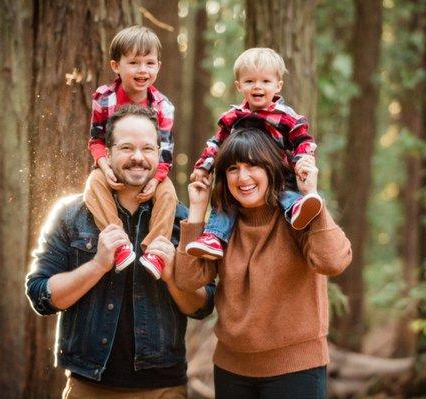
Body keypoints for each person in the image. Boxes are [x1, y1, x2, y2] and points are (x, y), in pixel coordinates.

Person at [26, 105, 215, 398]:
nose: (138, 157)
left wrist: (171, 276)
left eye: (147, 148)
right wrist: (98, 265)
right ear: (108, 154)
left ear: (158, 154)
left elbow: (202, 306)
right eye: (126, 147)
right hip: (88, 386)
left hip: (163, 388)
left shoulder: (181, 221)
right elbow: (41, 296)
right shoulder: (70, 214)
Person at [175, 122, 352, 398]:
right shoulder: (221, 227)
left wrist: (311, 196)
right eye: (233, 168)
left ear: (271, 168)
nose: (242, 177)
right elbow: (188, 279)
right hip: (231, 370)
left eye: (252, 165)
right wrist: (197, 210)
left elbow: (333, 261)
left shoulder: (298, 217)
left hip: (296, 370)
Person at [186, 48, 322, 260]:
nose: (257, 86)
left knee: (286, 191)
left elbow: (303, 140)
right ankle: (213, 236)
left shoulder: (287, 117)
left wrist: (303, 161)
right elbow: (215, 143)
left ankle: (297, 210)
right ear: (239, 86)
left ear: (278, 86)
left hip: (280, 174)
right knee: (225, 199)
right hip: (244, 174)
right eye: (250, 81)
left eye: (265, 82)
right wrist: (204, 166)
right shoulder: (232, 117)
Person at [84, 25, 177, 278]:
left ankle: (156, 252)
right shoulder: (104, 98)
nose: (142, 70)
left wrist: (157, 180)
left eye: (150, 63)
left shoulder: (163, 107)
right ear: (116, 65)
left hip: (150, 170)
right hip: (112, 167)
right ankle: (119, 244)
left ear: (158, 66)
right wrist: (103, 165)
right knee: (93, 184)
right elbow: (96, 140)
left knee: (168, 195)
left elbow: (165, 151)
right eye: (134, 63)